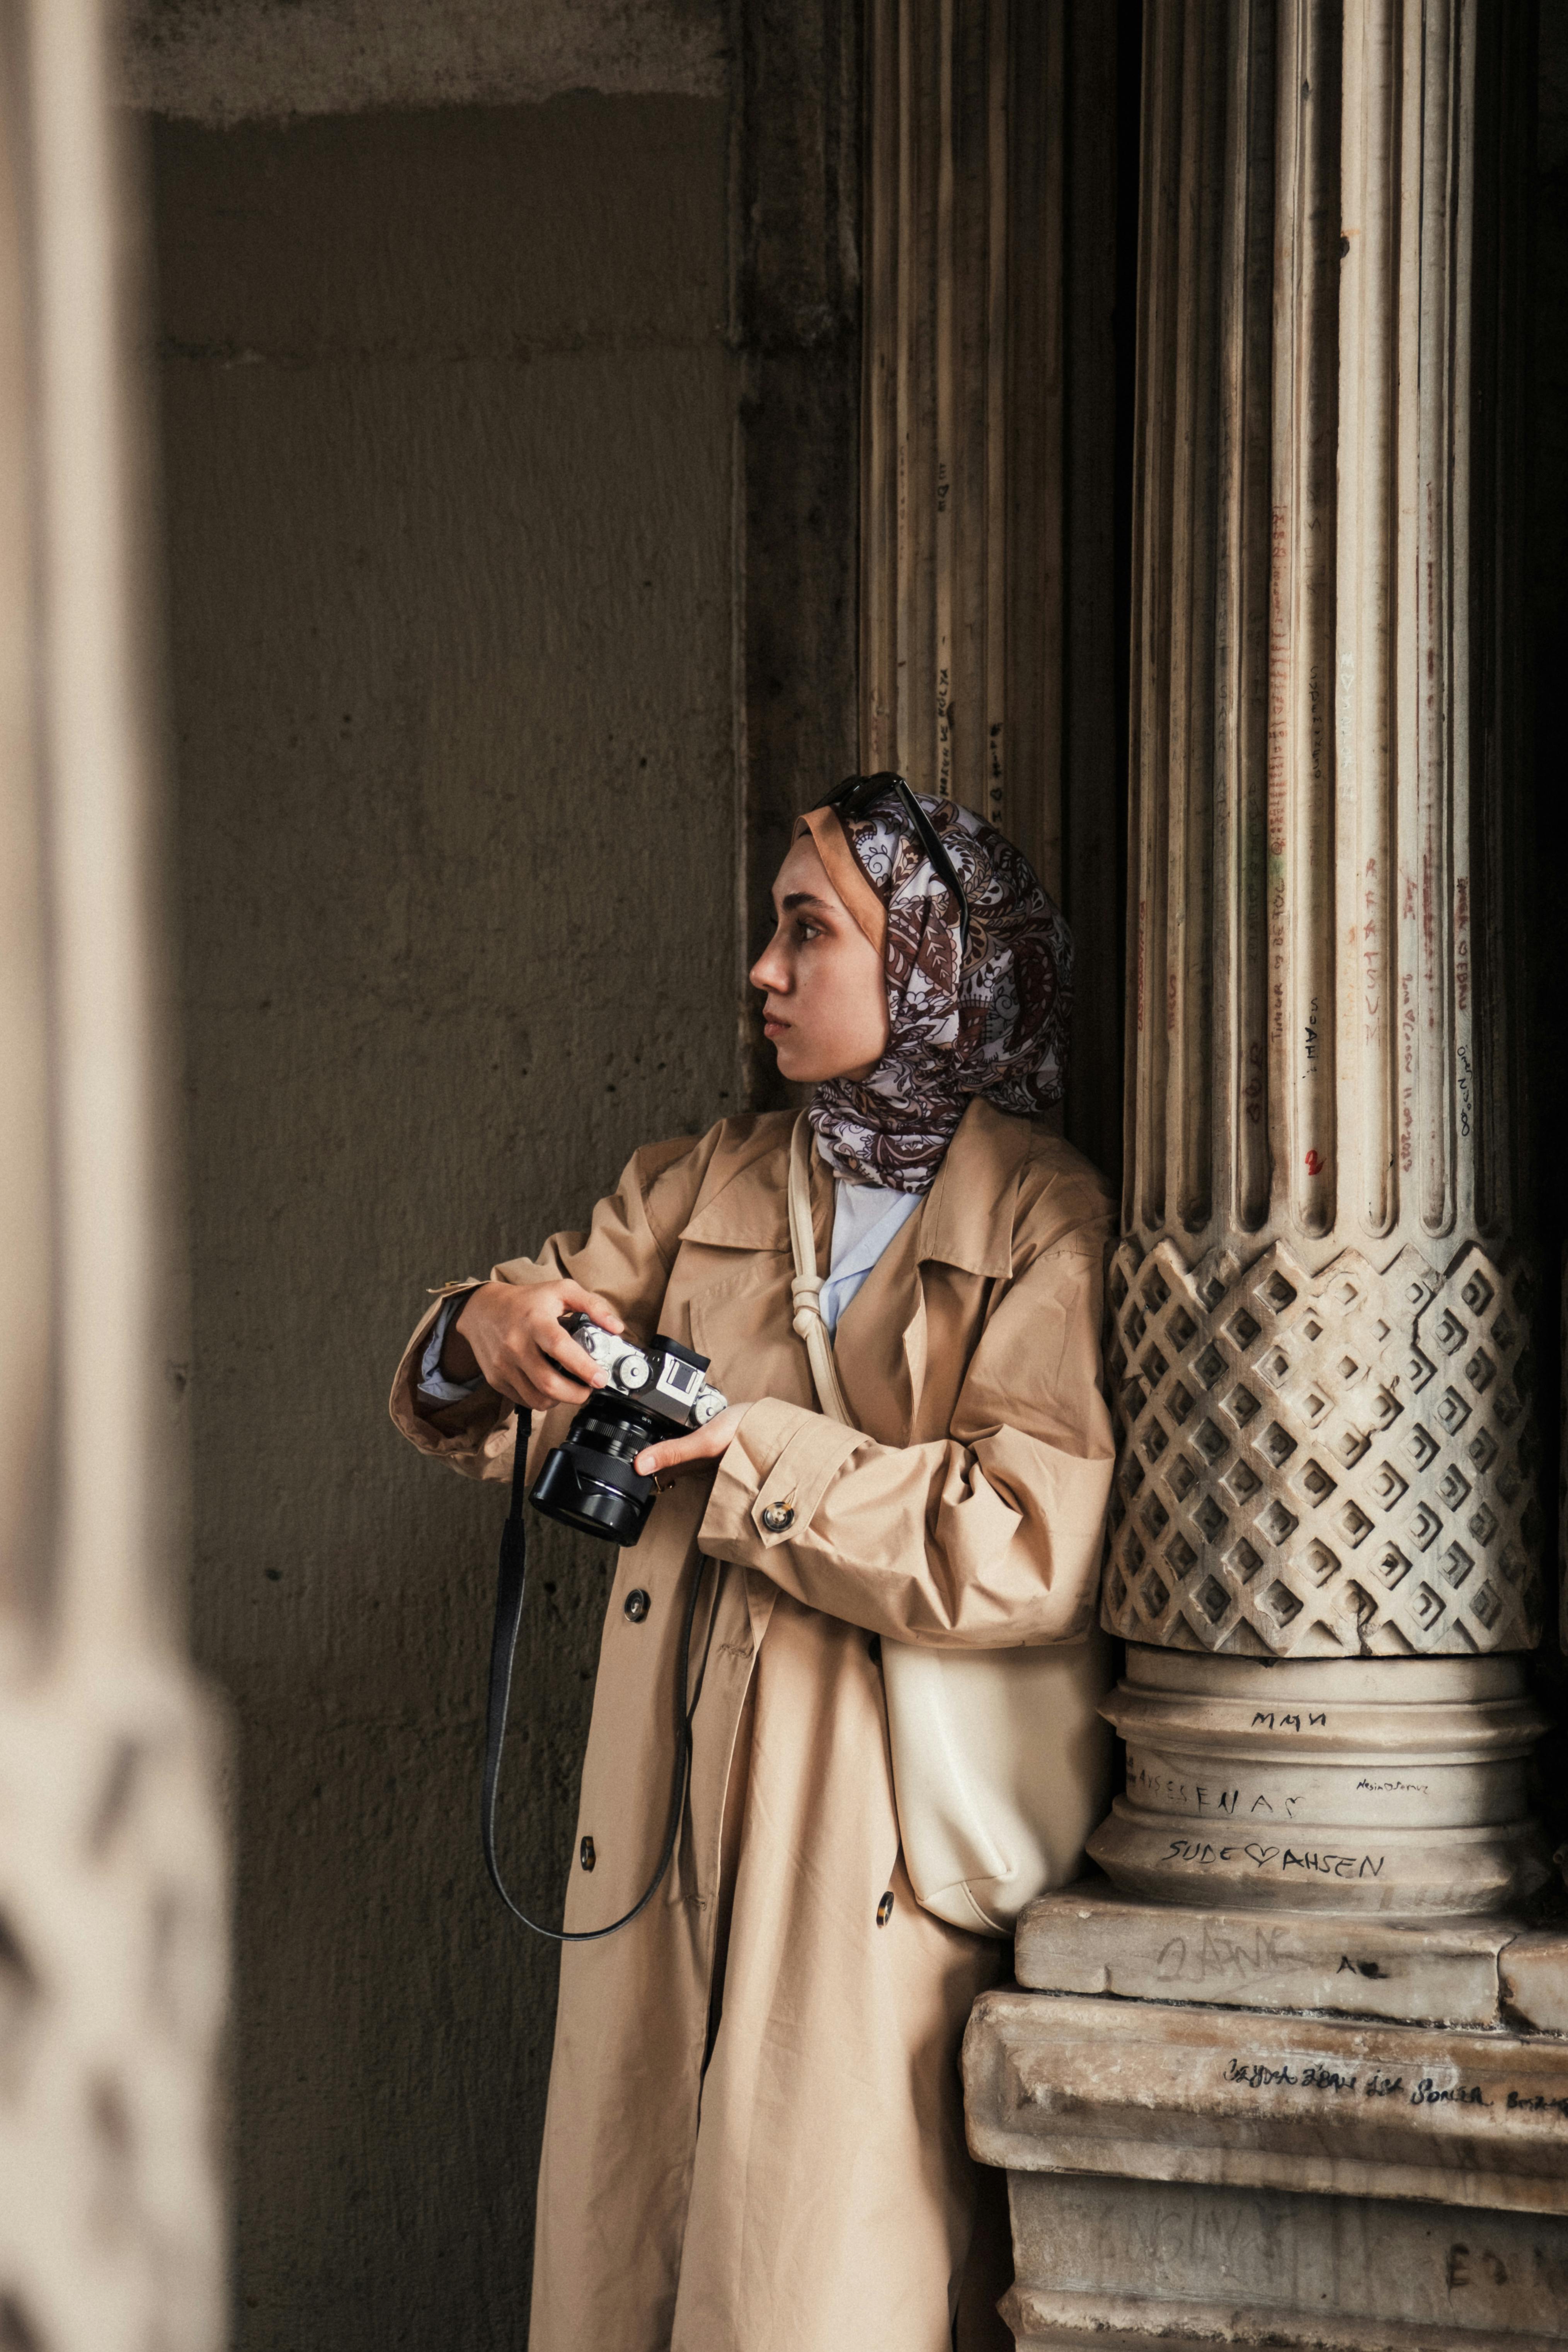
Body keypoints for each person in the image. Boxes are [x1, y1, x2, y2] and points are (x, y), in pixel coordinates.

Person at [388, 778, 1116, 2352]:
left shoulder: (1038, 1216)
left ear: (930, 961)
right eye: (770, 930)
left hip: (867, 1838)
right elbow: (506, 1388)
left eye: (809, 932)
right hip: (656, 1800)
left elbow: (1023, 1543)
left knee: (808, 2275)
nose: (762, 972)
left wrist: (756, 1451)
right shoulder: (694, 1183)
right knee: (625, 2227)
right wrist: (485, 1330)